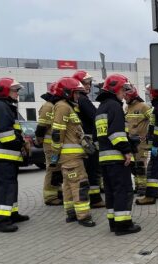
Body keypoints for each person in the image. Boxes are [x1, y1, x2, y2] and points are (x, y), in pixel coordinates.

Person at [0, 77, 30, 232]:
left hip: (6, 156)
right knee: (3, 187)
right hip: (1, 156)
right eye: (15, 90)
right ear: (4, 90)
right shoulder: (0, 107)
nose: (17, 93)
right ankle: (0, 221)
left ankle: (11, 213)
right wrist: (20, 143)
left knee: (11, 185)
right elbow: (6, 135)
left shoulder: (5, 106)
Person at [96, 74, 141, 235]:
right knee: (123, 190)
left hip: (105, 159)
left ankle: (114, 223)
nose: (125, 93)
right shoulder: (115, 107)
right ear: (115, 88)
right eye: (123, 89)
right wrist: (127, 151)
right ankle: (123, 225)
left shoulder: (101, 107)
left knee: (111, 192)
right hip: (117, 157)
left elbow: (102, 135)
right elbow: (116, 134)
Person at [51, 77, 96, 227]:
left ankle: (71, 213)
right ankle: (83, 216)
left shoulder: (66, 106)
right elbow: (57, 133)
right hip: (71, 157)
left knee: (69, 186)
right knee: (80, 184)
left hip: (69, 157)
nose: (78, 96)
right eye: (76, 93)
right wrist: (54, 155)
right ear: (66, 92)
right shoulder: (63, 107)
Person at [72, 70, 105, 208]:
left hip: (85, 140)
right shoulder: (83, 99)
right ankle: (95, 199)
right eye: (85, 83)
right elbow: (95, 116)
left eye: (89, 83)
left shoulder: (78, 99)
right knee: (93, 170)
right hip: (89, 141)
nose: (88, 86)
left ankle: (94, 197)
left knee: (91, 170)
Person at [136, 86, 158, 205]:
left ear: (154, 94)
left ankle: (150, 196)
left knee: (153, 170)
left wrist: (155, 144)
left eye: (149, 93)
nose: (148, 95)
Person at [35, 83, 63, 205]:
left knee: (57, 169)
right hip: (50, 146)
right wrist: (39, 141)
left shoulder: (55, 105)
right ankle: (50, 196)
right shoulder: (48, 106)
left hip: (55, 145)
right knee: (52, 168)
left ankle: (57, 191)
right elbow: (41, 127)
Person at [124, 85, 153, 197]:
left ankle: (143, 188)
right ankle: (137, 186)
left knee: (141, 165)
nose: (124, 98)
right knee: (133, 166)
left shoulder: (144, 107)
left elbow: (153, 121)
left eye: (126, 96)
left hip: (141, 143)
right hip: (130, 142)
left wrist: (148, 135)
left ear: (131, 95)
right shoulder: (126, 108)